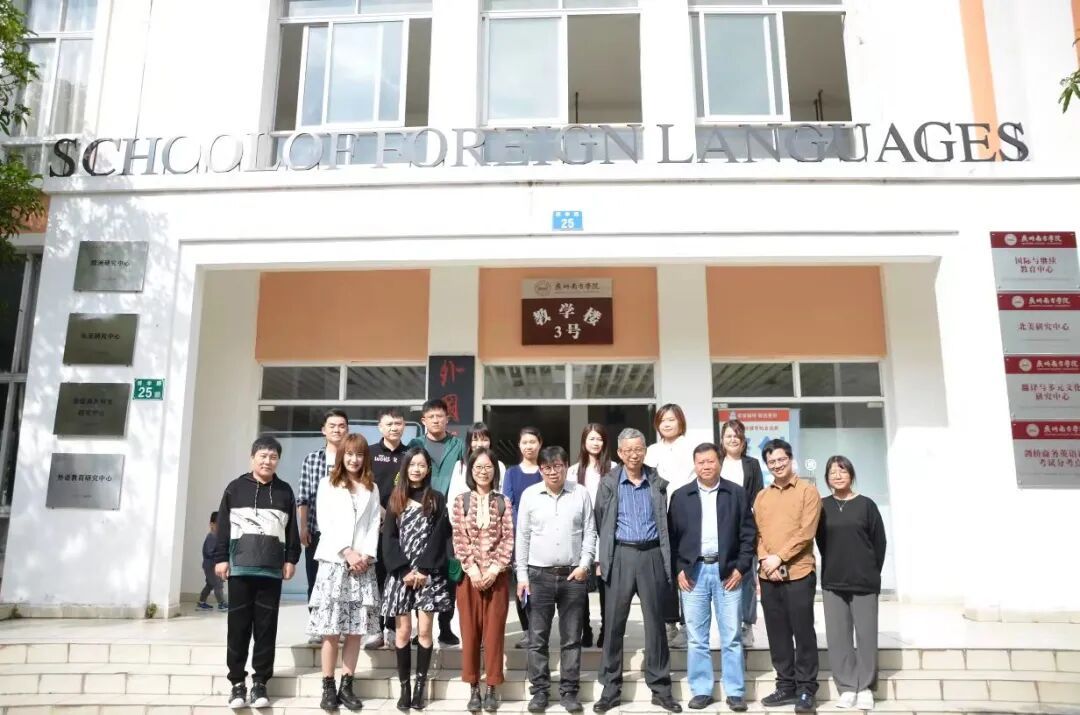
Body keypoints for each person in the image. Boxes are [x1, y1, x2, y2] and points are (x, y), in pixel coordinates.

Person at [594, 428, 681, 714]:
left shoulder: (656, 480)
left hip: (651, 554)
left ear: (645, 450)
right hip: (621, 554)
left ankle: (661, 688)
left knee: (656, 624)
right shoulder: (609, 482)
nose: (634, 454)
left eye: (638, 449)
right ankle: (610, 688)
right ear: (619, 453)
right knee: (613, 624)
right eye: (628, 450)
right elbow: (601, 520)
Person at [213, 436, 301, 710]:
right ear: (252, 458)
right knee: (238, 629)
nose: (267, 461)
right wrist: (221, 558)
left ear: (278, 461)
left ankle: (260, 682)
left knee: (266, 629)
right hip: (239, 568)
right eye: (263, 456)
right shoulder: (235, 488)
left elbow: (292, 530)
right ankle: (237, 683)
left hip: (271, 570)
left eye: (273, 457)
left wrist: (291, 559)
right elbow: (223, 526)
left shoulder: (284, 491)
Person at [668, 443, 757, 712]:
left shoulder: (736, 493)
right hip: (693, 573)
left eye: (710, 461)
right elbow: (672, 538)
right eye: (701, 462)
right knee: (696, 638)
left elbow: (748, 535)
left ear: (719, 462)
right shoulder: (681, 496)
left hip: (727, 572)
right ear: (694, 465)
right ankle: (701, 689)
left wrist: (741, 568)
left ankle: (735, 691)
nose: (706, 466)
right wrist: (679, 569)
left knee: (731, 636)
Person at [516, 446, 597, 714]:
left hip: (573, 575)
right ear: (541, 470)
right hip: (538, 576)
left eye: (558, 466)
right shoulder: (530, 495)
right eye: (547, 467)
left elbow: (590, 531)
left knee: (572, 638)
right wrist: (522, 575)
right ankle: (540, 691)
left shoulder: (580, 493)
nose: (553, 472)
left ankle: (569, 691)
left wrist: (585, 565)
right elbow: (522, 537)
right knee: (537, 638)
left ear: (566, 466)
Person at [307, 433, 382, 712]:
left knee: (355, 630)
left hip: (362, 566)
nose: (354, 459)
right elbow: (324, 522)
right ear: (342, 456)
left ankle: (347, 686)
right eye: (349, 454)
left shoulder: (372, 487)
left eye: (359, 454)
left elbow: (374, 523)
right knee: (331, 630)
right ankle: (328, 686)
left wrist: (366, 555)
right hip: (334, 563)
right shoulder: (327, 484)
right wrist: (347, 551)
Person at [381, 447, 453, 712]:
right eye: (412, 465)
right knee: (402, 631)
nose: (417, 469)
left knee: (424, 631)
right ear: (406, 468)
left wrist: (423, 569)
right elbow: (388, 538)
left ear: (428, 469)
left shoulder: (436, 499)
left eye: (422, 465)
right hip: (402, 574)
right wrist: (403, 570)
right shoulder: (395, 498)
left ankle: (420, 686)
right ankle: (405, 688)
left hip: (427, 574)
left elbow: (440, 537)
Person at [755, 439, 822, 714]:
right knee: (777, 633)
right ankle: (785, 685)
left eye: (781, 459)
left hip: (799, 573)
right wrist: (765, 560)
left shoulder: (808, 491)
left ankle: (806, 688)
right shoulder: (762, 496)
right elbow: (757, 533)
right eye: (771, 461)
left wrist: (779, 557)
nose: (777, 465)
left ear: (791, 459)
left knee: (803, 632)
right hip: (768, 575)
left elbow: (807, 532)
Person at [816, 455, 887, 712]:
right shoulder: (822, 506)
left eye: (842, 471)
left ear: (851, 474)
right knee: (838, 638)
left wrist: (871, 571)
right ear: (827, 478)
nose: (837, 476)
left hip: (864, 581)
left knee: (866, 636)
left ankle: (865, 687)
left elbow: (879, 543)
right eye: (832, 472)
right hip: (833, 581)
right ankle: (847, 687)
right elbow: (821, 542)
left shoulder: (866, 505)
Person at [451, 447, 514, 713]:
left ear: (495, 471)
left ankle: (491, 687)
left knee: (494, 634)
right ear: (471, 471)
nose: (483, 472)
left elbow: (508, 538)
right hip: (469, 579)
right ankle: (473, 687)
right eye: (478, 467)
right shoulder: (461, 501)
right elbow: (459, 538)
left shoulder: (503, 501)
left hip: (497, 578)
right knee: (470, 633)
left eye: (488, 467)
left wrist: (494, 569)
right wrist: (474, 570)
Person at [408, 399, 465, 647]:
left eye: (440, 416)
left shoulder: (458, 445)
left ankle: (445, 626)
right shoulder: (416, 445)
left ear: (447, 419)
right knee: (419, 568)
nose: (436, 420)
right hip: (421, 516)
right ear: (423, 420)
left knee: (449, 571)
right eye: (431, 416)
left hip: (450, 517)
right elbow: (405, 477)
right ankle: (420, 628)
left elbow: (465, 477)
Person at [645, 404, 695, 649]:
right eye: (662, 420)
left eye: (671, 419)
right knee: (663, 571)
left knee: (685, 569)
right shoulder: (652, 450)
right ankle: (669, 623)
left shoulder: (691, 447)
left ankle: (687, 626)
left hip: (686, 515)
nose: (666, 424)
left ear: (680, 422)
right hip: (658, 517)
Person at [299, 409, 350, 642]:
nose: (337, 430)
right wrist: (303, 527)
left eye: (341, 425)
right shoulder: (312, 459)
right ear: (323, 430)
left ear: (347, 429)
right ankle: (317, 626)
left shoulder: (353, 459)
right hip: (317, 531)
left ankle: (340, 627)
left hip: (346, 534)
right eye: (332, 426)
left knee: (342, 582)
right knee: (316, 580)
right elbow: (303, 497)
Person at [566, 423, 615, 648]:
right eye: (591, 439)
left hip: (607, 531)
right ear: (584, 442)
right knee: (581, 583)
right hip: (582, 532)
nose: (595, 443)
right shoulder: (573, 471)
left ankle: (606, 629)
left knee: (606, 584)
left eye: (599, 439)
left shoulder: (614, 468)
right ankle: (585, 628)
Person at [717, 419, 765, 647]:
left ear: (743, 440)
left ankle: (746, 625)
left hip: (745, 528)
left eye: (737, 436)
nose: (733, 439)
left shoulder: (752, 464)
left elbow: (758, 496)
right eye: (728, 435)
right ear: (722, 440)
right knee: (721, 577)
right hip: (719, 528)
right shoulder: (717, 462)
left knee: (746, 578)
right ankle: (728, 624)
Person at [368, 407, 410, 649]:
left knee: (396, 578)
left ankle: (393, 628)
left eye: (398, 423)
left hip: (401, 528)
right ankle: (374, 629)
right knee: (375, 578)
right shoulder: (370, 453)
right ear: (380, 427)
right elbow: (363, 485)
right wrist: (381, 513)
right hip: (374, 526)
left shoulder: (410, 454)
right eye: (389, 424)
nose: (394, 428)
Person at [502, 426, 544, 648]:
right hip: (519, 536)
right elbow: (508, 504)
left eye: (532, 442)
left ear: (540, 444)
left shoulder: (545, 470)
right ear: (519, 446)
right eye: (525, 442)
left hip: (544, 536)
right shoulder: (512, 473)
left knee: (541, 585)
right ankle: (527, 630)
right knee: (522, 582)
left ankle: (540, 629)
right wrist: (520, 529)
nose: (529, 446)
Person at [448, 422, 507, 505]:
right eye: (475, 440)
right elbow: (452, 497)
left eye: (484, 440)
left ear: (490, 442)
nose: (479, 444)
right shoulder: (460, 466)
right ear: (469, 442)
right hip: (465, 511)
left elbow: (503, 495)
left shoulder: (499, 466)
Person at [197, 511, 227, 612]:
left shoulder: (217, 537)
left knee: (210, 584)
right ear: (212, 524)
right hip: (211, 565)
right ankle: (221, 603)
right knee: (218, 584)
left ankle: (201, 602)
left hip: (211, 565)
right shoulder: (212, 537)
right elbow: (209, 552)